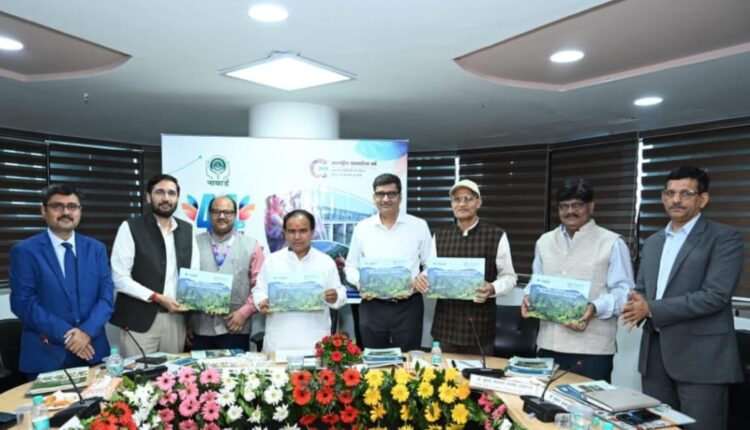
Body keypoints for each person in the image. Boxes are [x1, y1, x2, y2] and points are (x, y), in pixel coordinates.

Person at [621, 166, 743, 430]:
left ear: (703, 199)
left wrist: (650, 308)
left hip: (701, 360)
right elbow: (642, 288)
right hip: (654, 357)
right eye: (670, 193)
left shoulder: (724, 237)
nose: (675, 200)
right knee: (657, 427)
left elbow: (715, 295)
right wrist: (635, 302)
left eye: (685, 193)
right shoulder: (653, 242)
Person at [522, 179, 634, 381]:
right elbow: (536, 281)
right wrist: (528, 295)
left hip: (592, 350)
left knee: (589, 401)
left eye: (577, 205)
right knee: (545, 400)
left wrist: (595, 307)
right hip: (549, 345)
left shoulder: (612, 243)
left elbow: (624, 293)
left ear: (591, 206)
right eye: (564, 206)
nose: (570, 211)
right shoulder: (544, 241)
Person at [9, 185, 114, 378]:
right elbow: (23, 302)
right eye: (57, 206)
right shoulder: (25, 251)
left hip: (93, 350)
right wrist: (69, 336)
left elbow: (106, 298)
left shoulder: (96, 249)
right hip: (47, 355)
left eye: (72, 206)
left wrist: (86, 332)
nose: (66, 212)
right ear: (43, 210)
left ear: (80, 211)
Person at [413, 179, 517, 355]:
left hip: (480, 327)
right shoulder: (441, 235)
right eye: (457, 199)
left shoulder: (496, 235)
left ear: (479, 202)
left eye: (468, 198)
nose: (462, 204)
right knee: (441, 372)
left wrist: (492, 288)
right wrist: (422, 278)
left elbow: (509, 277)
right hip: (445, 325)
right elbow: (432, 270)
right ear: (452, 204)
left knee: (477, 373)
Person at [110, 174, 199, 356]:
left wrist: (206, 301)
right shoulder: (130, 227)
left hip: (175, 319)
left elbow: (194, 274)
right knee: (138, 372)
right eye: (160, 192)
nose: (166, 198)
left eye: (171, 193)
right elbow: (119, 278)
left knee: (173, 371)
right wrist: (157, 297)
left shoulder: (187, 230)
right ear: (149, 197)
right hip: (139, 320)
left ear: (177, 198)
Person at [345, 173, 432, 351]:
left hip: (408, 306)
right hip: (372, 306)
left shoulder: (418, 226)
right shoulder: (362, 228)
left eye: (391, 194)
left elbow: (431, 264)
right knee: (373, 359)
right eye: (380, 194)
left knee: (407, 359)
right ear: (374, 197)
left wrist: (422, 279)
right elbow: (350, 266)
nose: (385, 199)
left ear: (400, 197)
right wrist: (359, 281)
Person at [254, 210, 346, 352]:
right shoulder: (272, 261)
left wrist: (335, 297)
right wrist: (262, 302)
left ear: (312, 232)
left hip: (315, 341)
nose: (297, 237)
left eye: (303, 231)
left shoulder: (325, 262)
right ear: (285, 233)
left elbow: (341, 295)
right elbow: (259, 290)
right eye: (292, 231)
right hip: (279, 341)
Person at [190, 196, 264, 351]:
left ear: (235, 215)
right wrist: (185, 323)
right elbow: (185, 283)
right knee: (199, 367)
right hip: (199, 327)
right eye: (216, 211)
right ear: (209, 214)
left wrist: (244, 313)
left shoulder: (252, 245)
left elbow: (260, 286)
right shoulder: (193, 243)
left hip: (236, 326)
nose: (222, 216)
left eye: (227, 212)